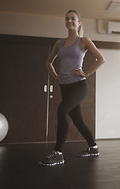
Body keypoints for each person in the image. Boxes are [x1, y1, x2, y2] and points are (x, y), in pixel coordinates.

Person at [39, 10, 105, 166]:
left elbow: (101, 59)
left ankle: (58, 153)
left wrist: (86, 73)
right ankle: (93, 147)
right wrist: (55, 76)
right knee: (78, 120)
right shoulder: (59, 43)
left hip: (79, 86)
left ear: (79, 22)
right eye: (67, 19)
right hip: (64, 86)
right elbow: (48, 62)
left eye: (73, 19)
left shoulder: (84, 41)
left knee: (62, 110)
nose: (70, 21)